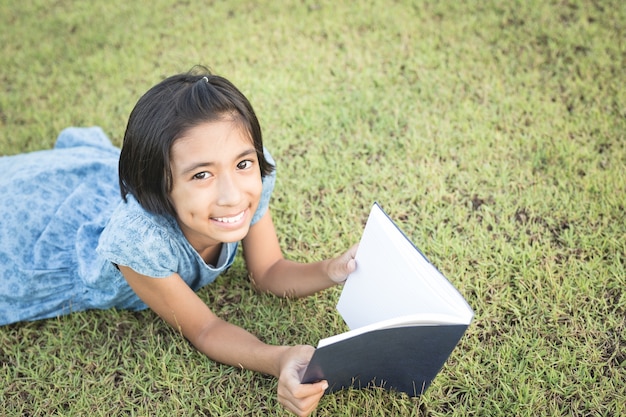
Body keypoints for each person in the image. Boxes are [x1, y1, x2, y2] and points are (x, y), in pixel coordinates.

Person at [0, 68, 357, 416]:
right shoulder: (138, 239)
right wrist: (278, 358)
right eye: (202, 174)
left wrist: (331, 270)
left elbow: (268, 271)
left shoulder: (254, 180)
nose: (232, 195)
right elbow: (206, 329)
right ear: (159, 185)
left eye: (242, 163)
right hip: (35, 229)